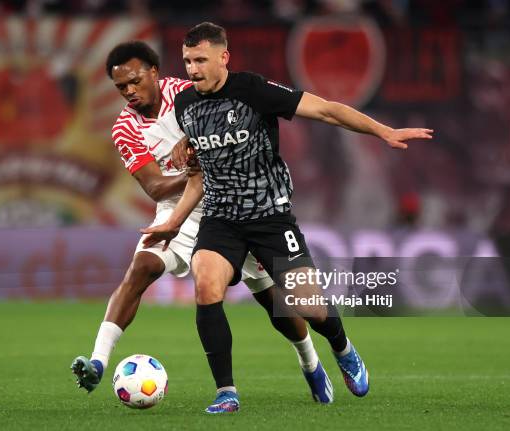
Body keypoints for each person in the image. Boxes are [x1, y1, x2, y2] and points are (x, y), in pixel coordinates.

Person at [142, 22, 433, 413]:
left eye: (201, 60)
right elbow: (200, 175)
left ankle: (342, 348)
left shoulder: (254, 91)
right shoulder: (185, 106)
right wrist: (174, 222)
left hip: (270, 219)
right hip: (220, 219)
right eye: (187, 61)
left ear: (224, 57)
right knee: (206, 284)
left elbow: (328, 111)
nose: (192, 69)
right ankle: (226, 392)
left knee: (308, 307)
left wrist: (383, 131)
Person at [70, 41, 331, 407]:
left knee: (273, 301)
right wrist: (196, 169)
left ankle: (311, 362)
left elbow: (233, 118)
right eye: (121, 87)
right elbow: (156, 187)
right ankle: (97, 359)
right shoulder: (125, 128)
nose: (129, 92)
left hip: (231, 205)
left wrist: (202, 151)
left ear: (154, 73)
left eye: (134, 81)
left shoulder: (188, 92)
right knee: (142, 265)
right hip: (178, 209)